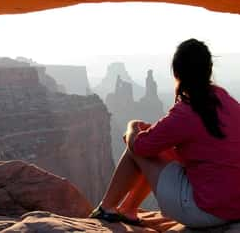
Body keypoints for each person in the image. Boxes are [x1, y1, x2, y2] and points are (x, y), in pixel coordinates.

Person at [90, 39, 240, 228]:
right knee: (155, 146)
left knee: (138, 149)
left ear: (177, 73)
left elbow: (140, 147)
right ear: (209, 70)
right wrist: (153, 136)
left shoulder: (188, 110)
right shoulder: (228, 102)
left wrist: (132, 128)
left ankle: (107, 208)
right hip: (234, 208)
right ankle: (128, 209)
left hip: (206, 212)